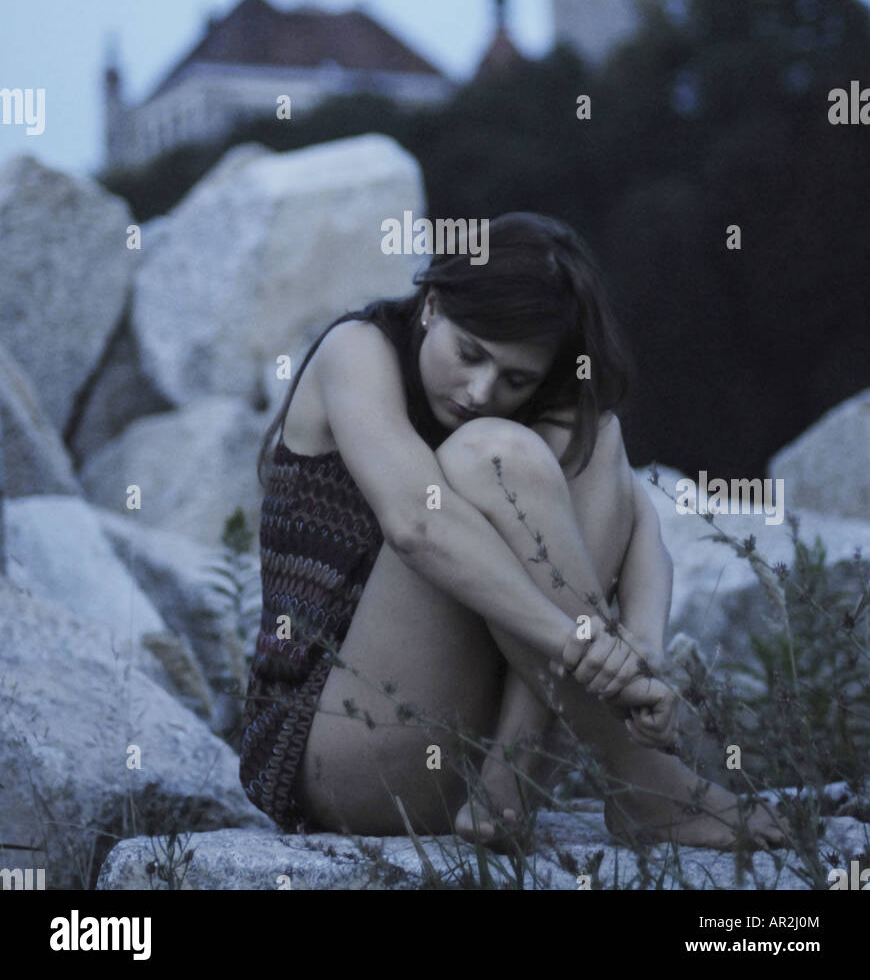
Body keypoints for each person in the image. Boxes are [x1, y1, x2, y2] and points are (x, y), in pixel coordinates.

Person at [239, 211, 785, 851]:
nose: (479, 389)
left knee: (591, 434)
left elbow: (642, 534)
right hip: (333, 751)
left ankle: (512, 777)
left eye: (516, 378)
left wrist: (641, 652)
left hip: (460, 754)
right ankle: (645, 782)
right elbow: (417, 523)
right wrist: (582, 645)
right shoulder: (356, 352)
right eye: (470, 353)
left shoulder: (524, 409)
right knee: (491, 456)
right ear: (434, 304)